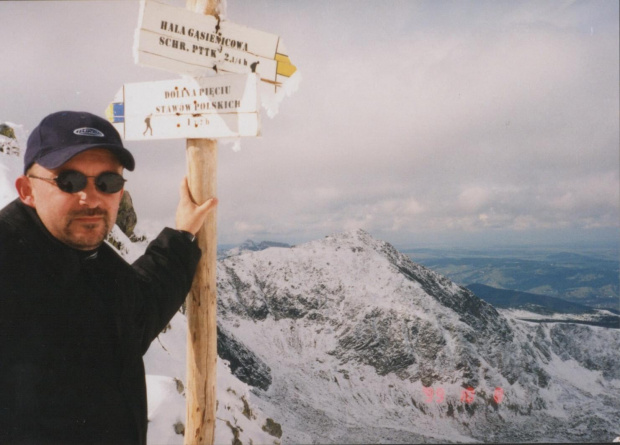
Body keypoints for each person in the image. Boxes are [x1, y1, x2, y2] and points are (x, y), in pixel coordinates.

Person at [0, 111, 217, 444]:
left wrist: (181, 234)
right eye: (68, 181)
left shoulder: (89, 258)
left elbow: (140, 308)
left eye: (108, 182)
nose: (91, 198)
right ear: (26, 190)